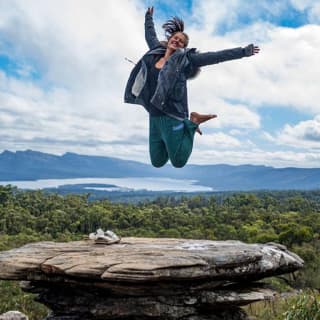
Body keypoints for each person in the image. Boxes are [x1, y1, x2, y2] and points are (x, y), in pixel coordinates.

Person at [124, 7, 259, 168]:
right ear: (169, 39)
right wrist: (148, 18)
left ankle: (192, 122)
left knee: (178, 162)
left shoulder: (186, 60)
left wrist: (243, 51)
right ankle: (174, 139)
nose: (177, 41)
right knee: (157, 162)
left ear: (183, 47)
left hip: (172, 115)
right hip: (153, 116)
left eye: (181, 41)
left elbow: (216, 56)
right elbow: (150, 35)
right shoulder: (155, 52)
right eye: (175, 38)